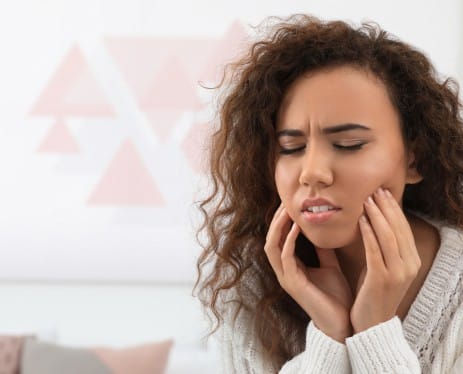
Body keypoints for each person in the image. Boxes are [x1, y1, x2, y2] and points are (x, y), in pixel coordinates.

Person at [194, 14, 463, 373]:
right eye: (291, 148)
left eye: (348, 144)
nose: (312, 173)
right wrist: (329, 335)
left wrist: (375, 333)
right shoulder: (249, 289)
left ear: (414, 159)